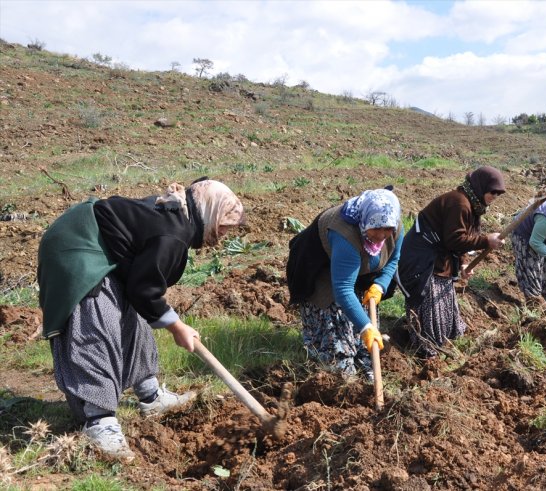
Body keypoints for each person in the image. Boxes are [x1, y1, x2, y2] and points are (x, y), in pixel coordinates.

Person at [37, 178, 245, 462]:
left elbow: (141, 290)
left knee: (130, 314)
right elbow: (145, 290)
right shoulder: (173, 234)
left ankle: (150, 396)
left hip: (98, 244)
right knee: (96, 321)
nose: (223, 235)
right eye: (223, 225)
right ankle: (99, 421)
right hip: (76, 243)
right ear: (209, 211)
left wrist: (170, 321)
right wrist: (176, 326)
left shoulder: (179, 218)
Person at [286, 188, 403, 380]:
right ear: (365, 222)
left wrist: (380, 285)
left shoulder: (394, 225)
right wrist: (365, 327)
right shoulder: (345, 235)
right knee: (338, 353)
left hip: (357, 272)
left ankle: (366, 368)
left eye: (387, 229)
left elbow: (393, 258)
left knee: (366, 343)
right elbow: (342, 288)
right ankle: (340, 369)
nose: (382, 235)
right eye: (376, 228)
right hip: (319, 268)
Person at [396, 166, 506, 358]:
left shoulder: (472, 205)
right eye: (492, 192)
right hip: (423, 259)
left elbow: (464, 236)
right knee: (428, 302)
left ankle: (443, 343)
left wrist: (463, 263)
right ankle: (427, 349)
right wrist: (486, 240)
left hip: (440, 257)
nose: (494, 197)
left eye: (498, 194)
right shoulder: (460, 203)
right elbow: (454, 239)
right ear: (481, 187)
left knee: (444, 300)